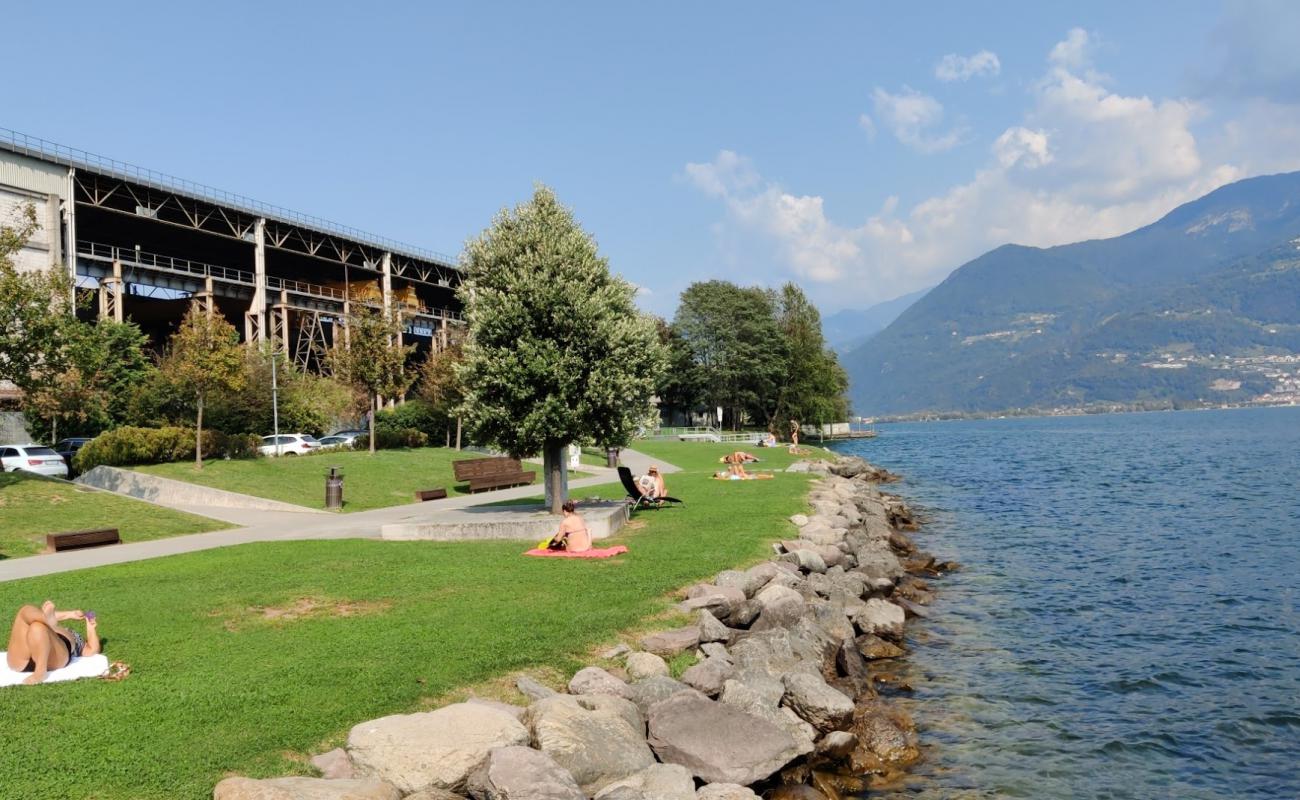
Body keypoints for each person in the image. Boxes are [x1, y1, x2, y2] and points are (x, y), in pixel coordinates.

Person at [5, 601, 101, 685]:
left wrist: (91, 627)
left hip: (53, 656)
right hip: (23, 658)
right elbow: (54, 616)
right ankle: (44, 618)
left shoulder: (75, 636)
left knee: (37, 627)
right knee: (24, 611)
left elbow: (92, 650)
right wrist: (70, 614)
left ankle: (40, 672)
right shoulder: (44, 623)